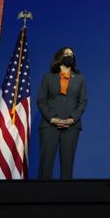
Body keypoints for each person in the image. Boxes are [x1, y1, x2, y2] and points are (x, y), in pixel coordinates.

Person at [37, 47, 87, 180]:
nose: (69, 56)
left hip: (71, 126)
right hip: (49, 125)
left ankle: (66, 196)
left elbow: (82, 102)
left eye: (71, 54)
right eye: (66, 54)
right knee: (46, 164)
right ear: (59, 57)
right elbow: (41, 101)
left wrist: (72, 119)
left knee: (67, 165)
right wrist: (52, 119)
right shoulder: (47, 77)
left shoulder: (80, 78)